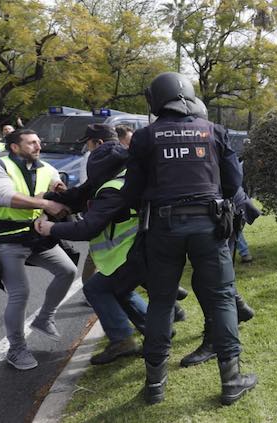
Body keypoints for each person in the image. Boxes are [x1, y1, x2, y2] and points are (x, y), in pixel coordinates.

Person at [121, 72, 256, 405]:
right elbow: (233, 183)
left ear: (156, 101)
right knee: (223, 299)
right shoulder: (215, 132)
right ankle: (231, 380)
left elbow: (132, 192)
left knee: (162, 302)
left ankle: (154, 386)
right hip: (210, 228)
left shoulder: (144, 137)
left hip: (162, 230)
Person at [34, 140, 149, 365]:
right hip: (139, 250)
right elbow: (80, 195)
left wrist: (51, 228)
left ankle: (124, 340)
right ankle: (156, 328)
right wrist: (47, 200)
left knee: (96, 289)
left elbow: (88, 228)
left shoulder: (113, 190)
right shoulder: (126, 176)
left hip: (133, 253)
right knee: (117, 290)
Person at [0, 129, 76, 370]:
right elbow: (3, 196)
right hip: (6, 238)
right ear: (14, 147)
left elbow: (56, 184)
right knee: (20, 293)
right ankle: (16, 349)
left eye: (39, 142)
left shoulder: (45, 167)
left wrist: (60, 190)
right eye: (32, 143)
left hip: (35, 235)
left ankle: (44, 319)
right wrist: (45, 203)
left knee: (68, 271)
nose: (38, 146)